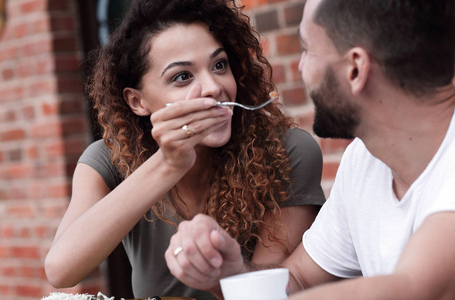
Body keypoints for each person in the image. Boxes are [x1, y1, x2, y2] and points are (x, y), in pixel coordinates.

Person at [165, 0, 455, 299]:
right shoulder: (363, 162)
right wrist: (230, 272)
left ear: (355, 69)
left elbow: (414, 289)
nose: (301, 66)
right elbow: (301, 280)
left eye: (307, 49)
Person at [44, 0, 326, 299]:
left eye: (219, 65)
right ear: (137, 101)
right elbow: (62, 270)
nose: (212, 87)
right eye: (182, 76)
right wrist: (168, 163)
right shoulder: (107, 160)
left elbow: (277, 288)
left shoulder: (287, 150)